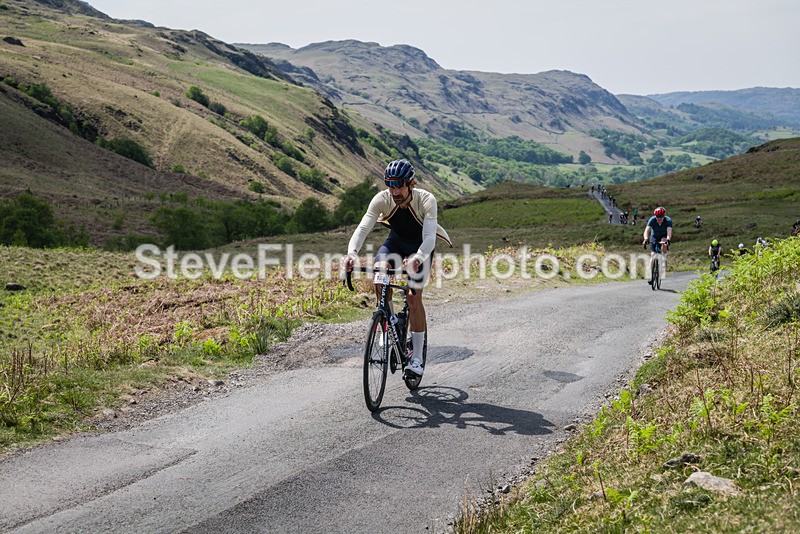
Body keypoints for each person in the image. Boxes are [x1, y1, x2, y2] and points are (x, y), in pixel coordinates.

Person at [343, 159, 451, 378]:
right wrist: (352, 253)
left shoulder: (426, 200)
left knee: (412, 297)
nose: (394, 191)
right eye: (390, 185)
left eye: (399, 185)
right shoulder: (382, 199)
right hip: (396, 243)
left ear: (411, 184)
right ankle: (388, 322)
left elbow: (429, 238)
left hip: (420, 247)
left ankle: (417, 358)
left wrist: (418, 258)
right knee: (379, 277)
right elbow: (364, 227)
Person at [642, 207, 673, 284]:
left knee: (664, 242)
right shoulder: (652, 220)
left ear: (664, 216)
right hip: (654, 236)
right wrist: (646, 239)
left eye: (661, 217)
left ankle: (664, 258)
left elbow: (669, 231)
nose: (659, 218)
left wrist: (668, 239)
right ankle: (651, 275)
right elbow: (647, 230)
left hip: (664, 236)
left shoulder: (668, 220)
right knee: (653, 255)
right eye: (657, 217)